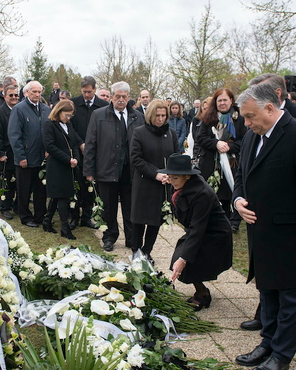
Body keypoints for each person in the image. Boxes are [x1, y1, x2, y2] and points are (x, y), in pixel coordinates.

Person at [232, 83, 296, 370]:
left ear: (270, 108)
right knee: (269, 292)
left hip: (293, 235)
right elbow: (242, 174)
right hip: (262, 234)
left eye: (250, 117)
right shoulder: (253, 136)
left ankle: (282, 355)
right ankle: (268, 342)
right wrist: (238, 199)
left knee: (291, 298)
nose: (247, 124)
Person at [163, 154, 232, 310]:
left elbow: (197, 229)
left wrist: (184, 259)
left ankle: (202, 294)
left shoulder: (202, 194)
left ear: (187, 176)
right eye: (170, 177)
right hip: (200, 229)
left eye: (175, 178)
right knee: (180, 257)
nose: (171, 182)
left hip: (215, 234)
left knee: (188, 261)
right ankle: (201, 289)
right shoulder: (180, 186)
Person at [83, 81, 144, 251]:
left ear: (129, 98)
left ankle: (132, 239)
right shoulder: (98, 115)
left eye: (124, 96)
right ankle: (109, 236)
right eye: (118, 96)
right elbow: (91, 143)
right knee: (108, 207)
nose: (121, 99)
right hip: (107, 168)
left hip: (130, 170)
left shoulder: (137, 117)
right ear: (111, 97)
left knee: (130, 206)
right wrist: (89, 169)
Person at [130, 100, 178, 262]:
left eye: (163, 115)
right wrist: (155, 173)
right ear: (150, 115)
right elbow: (136, 159)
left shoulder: (171, 133)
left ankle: (147, 250)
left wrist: (172, 175)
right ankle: (136, 250)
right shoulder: (139, 132)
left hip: (163, 185)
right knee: (139, 220)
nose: (160, 119)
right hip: (144, 182)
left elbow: (175, 157)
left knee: (155, 220)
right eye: (157, 115)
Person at [195, 89, 248, 233]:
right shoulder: (208, 118)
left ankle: (233, 221)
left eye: (225, 100)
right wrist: (216, 144)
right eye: (220, 100)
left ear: (231, 100)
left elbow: (244, 140)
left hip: (232, 163)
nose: (222, 103)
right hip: (211, 163)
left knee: (229, 191)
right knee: (212, 192)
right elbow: (200, 138)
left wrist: (229, 146)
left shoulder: (240, 119)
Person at [8, 81, 51, 227]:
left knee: (41, 189)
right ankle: (25, 217)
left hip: (42, 158)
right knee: (24, 190)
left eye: (39, 92)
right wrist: (20, 156)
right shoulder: (19, 109)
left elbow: (49, 131)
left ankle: (40, 215)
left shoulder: (46, 110)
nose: (37, 95)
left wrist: (48, 149)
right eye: (34, 92)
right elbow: (14, 134)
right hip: (25, 158)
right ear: (27, 92)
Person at [42, 100, 84, 239]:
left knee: (58, 195)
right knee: (62, 196)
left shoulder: (68, 125)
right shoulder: (49, 125)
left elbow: (73, 143)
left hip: (69, 165)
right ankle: (64, 228)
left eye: (70, 116)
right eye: (66, 115)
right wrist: (68, 159)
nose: (68, 118)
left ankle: (47, 221)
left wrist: (76, 159)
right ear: (59, 112)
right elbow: (50, 146)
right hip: (57, 166)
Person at [70, 76, 109, 230]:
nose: (87, 95)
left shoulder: (103, 106)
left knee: (91, 186)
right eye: (84, 92)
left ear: (95, 89)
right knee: (77, 185)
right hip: (78, 151)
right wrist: (80, 143)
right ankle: (73, 216)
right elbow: (69, 126)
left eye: (90, 92)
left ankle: (87, 216)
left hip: (96, 152)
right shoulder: (74, 104)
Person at [0, 84, 20, 219]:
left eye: (16, 95)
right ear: (4, 96)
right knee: (5, 181)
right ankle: (5, 206)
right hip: (5, 153)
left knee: (17, 181)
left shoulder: (20, 110)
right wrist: (0, 153)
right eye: (11, 95)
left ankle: (16, 204)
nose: (14, 98)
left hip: (18, 153)